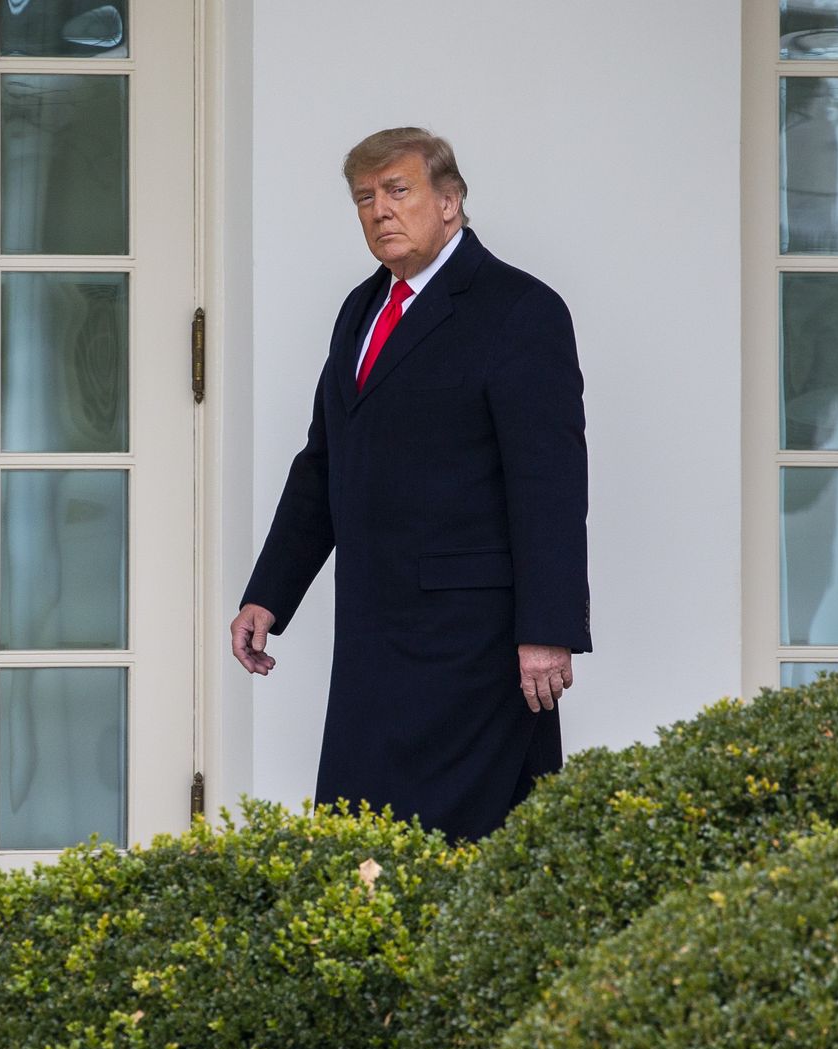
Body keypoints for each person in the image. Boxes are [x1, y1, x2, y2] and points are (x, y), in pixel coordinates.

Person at [231, 127, 591, 843]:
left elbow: (550, 482)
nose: (379, 211)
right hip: (373, 634)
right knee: (361, 843)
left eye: (398, 191)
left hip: (476, 644)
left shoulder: (521, 310)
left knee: (472, 843)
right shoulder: (361, 310)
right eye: (365, 198)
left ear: (450, 201)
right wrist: (269, 592)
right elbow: (324, 463)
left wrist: (548, 633)